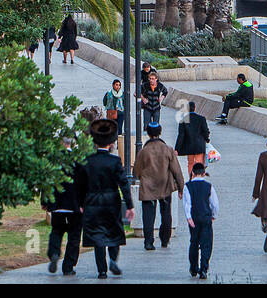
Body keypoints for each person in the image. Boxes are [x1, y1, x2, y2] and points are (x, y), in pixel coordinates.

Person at [76, 118, 134, 278]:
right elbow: (124, 184)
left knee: (98, 236)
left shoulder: (88, 161)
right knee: (113, 231)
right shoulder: (115, 161)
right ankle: (113, 259)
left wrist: (81, 203)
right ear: (111, 143)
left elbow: (80, 185)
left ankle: (101, 270)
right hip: (111, 201)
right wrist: (129, 205)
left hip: (92, 201)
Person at [133, 121, 184, 250]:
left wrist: (143, 177)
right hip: (165, 185)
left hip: (148, 187)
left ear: (148, 133)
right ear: (160, 132)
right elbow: (176, 170)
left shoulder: (144, 151)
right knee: (166, 213)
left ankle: (148, 241)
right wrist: (180, 187)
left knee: (148, 216)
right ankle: (165, 239)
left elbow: (136, 171)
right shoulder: (167, 149)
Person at [42, 138, 83, 275]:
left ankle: (54, 253)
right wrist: (83, 204)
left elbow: (46, 182)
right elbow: (83, 185)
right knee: (74, 237)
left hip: (57, 205)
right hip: (74, 206)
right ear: (71, 144)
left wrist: (45, 202)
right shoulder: (77, 162)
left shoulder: (54, 162)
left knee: (56, 231)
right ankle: (68, 266)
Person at [182, 161, 220, 279]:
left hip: (194, 218)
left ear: (192, 173)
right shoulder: (209, 187)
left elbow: (187, 204)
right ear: (204, 173)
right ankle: (204, 268)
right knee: (206, 244)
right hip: (205, 217)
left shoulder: (187, 186)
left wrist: (189, 218)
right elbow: (214, 203)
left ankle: (193, 268)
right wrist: (214, 215)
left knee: (194, 242)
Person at [175, 100, 210, 173]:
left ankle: (191, 178)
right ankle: (198, 178)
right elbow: (205, 131)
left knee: (190, 163)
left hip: (189, 146)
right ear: (194, 108)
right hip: (199, 145)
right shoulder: (201, 119)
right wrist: (207, 139)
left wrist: (177, 149)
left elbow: (181, 136)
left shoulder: (183, 120)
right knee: (199, 163)